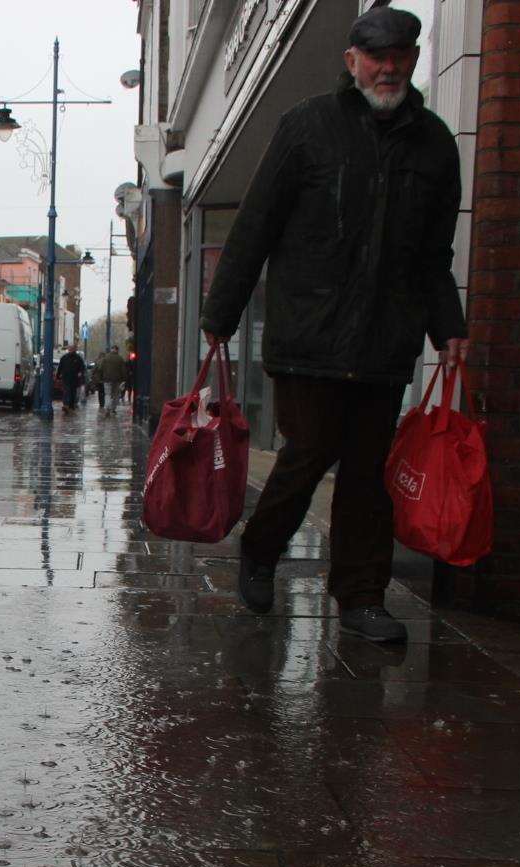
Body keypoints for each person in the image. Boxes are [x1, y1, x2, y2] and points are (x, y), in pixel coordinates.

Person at [199, 6, 468, 644]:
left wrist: (447, 326)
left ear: (412, 59)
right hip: (309, 334)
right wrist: (220, 313)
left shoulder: (433, 144)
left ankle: (361, 599)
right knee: (309, 452)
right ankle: (260, 550)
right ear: (352, 61)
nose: (389, 68)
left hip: (385, 336)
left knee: (368, 471)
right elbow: (256, 225)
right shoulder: (307, 127)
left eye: (400, 56)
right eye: (376, 57)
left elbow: (434, 253)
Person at [56, 344, 87, 411]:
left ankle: (71, 405)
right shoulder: (64, 357)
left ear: (75, 349)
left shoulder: (78, 358)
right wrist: (58, 376)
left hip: (74, 379)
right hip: (66, 378)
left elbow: (82, 368)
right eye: (70, 349)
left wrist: (80, 373)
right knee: (66, 391)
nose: (71, 350)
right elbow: (60, 367)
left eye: (72, 349)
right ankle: (66, 405)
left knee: (73, 392)